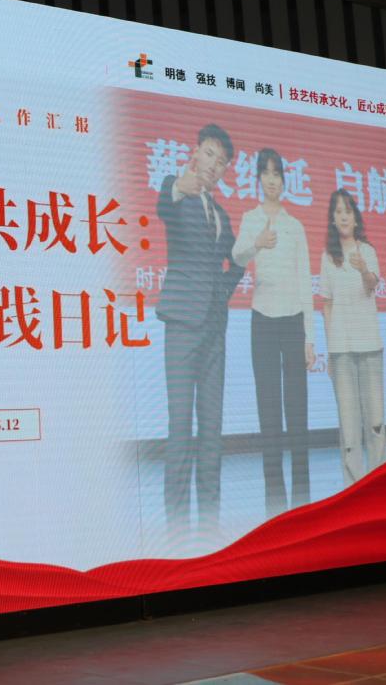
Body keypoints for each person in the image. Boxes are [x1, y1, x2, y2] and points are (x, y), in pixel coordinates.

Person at [156, 123, 245, 535]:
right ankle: (176, 531)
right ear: (195, 152)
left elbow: (236, 260)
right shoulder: (176, 189)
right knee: (181, 427)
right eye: (209, 154)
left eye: (221, 161)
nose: (214, 165)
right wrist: (181, 186)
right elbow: (165, 203)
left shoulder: (222, 216)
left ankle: (210, 528)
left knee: (212, 430)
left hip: (214, 330)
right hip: (182, 326)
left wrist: (224, 290)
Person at [232, 148, 315, 518]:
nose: (271, 179)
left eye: (276, 173)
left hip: (293, 320)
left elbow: (304, 281)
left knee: (297, 409)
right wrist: (257, 244)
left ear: (284, 180)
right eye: (265, 173)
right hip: (262, 319)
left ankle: (303, 502)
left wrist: (310, 338)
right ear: (258, 179)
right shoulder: (251, 219)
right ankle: (275, 508)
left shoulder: (295, 226)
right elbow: (237, 256)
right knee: (268, 410)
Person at [319, 189, 386, 485]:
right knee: (349, 426)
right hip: (341, 351)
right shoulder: (327, 257)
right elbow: (327, 305)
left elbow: (371, 286)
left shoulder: (367, 251)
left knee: (375, 422)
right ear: (333, 220)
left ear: (356, 218)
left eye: (348, 211)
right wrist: (330, 351)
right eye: (338, 212)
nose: (343, 216)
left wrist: (363, 270)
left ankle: (379, 485)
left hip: (370, 346)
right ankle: (354, 489)